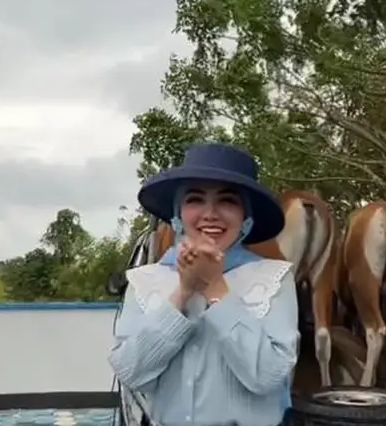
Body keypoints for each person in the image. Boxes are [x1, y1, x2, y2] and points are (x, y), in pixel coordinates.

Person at [109, 143, 299, 426]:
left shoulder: (272, 279)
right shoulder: (146, 280)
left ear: (245, 218)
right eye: (195, 199)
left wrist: (215, 288)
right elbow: (130, 371)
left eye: (227, 201)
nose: (210, 213)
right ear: (178, 214)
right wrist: (183, 292)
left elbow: (268, 376)